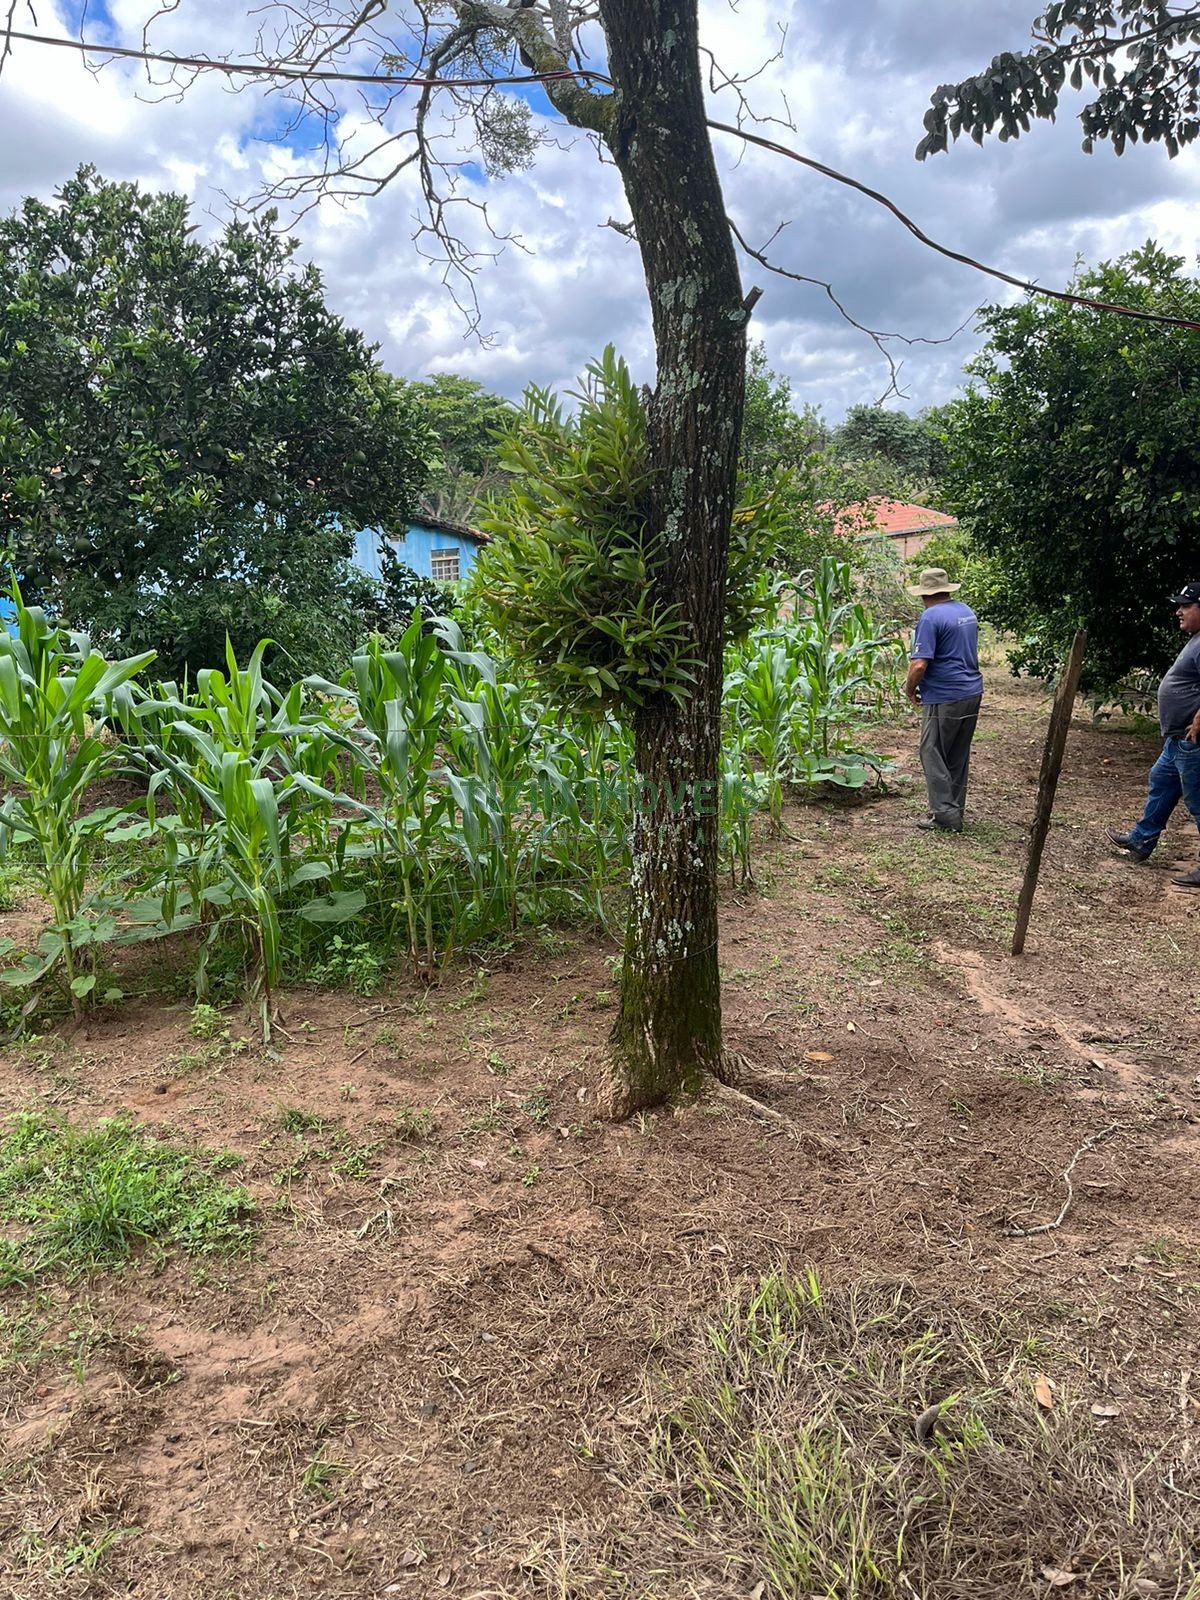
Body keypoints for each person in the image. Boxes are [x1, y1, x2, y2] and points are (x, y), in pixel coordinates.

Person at [1106, 582, 1200, 888]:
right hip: (1178, 741)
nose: (1179, 612)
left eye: (1186, 606)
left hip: (1193, 741)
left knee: (1198, 802)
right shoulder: (1196, 639)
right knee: (1161, 782)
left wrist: (1199, 719)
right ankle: (1141, 840)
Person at [904, 566, 984, 833]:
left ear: (924, 594)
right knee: (958, 753)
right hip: (971, 692)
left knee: (931, 751)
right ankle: (954, 809)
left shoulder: (930, 617)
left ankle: (944, 815)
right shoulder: (966, 611)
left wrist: (909, 689)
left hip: (944, 695)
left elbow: (919, 664)